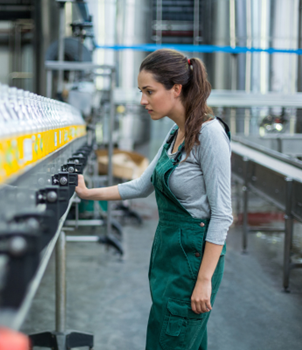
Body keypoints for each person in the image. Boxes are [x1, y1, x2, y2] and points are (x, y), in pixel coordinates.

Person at [75, 49, 232, 350]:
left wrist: (203, 280)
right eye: (141, 92)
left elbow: (223, 214)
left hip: (193, 261)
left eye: (149, 91)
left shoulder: (209, 135)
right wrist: (87, 192)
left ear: (176, 88)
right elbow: (141, 185)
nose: (142, 100)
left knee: (172, 339)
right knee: (174, 337)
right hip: (170, 255)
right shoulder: (175, 133)